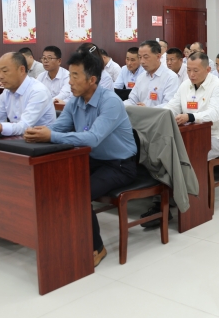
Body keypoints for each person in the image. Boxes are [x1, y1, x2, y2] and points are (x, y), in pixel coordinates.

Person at [24, 50, 137, 268]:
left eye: (75, 76)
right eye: (70, 75)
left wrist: (50, 136)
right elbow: (58, 128)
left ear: (92, 80)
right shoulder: (75, 101)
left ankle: (96, 247)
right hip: (92, 159)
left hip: (120, 165)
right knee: (54, 183)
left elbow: (92, 138)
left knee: (80, 192)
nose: (70, 82)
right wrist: (39, 132)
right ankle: (63, 238)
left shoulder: (110, 101)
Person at [166, 52, 219, 160]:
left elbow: (213, 114)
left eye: (196, 71)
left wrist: (190, 117)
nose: (191, 74)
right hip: (189, 133)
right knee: (166, 147)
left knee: (187, 153)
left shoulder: (218, 86)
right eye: (188, 70)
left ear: (208, 69)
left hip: (215, 137)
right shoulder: (185, 84)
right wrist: (162, 114)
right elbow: (173, 106)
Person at [125, 40, 179, 107]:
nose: (142, 61)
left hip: (157, 114)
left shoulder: (171, 77)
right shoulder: (141, 77)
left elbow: (169, 105)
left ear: (158, 57)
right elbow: (132, 100)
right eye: (140, 57)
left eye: (146, 57)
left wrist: (148, 110)